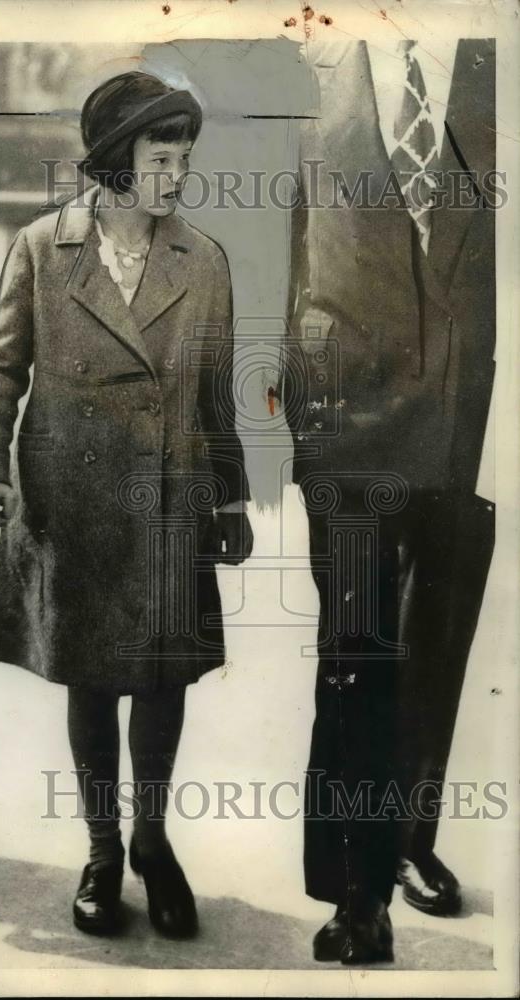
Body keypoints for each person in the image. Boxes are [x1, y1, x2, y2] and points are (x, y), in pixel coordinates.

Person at [0, 71, 253, 937]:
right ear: (118, 161)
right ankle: (101, 852)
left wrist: (229, 503)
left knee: (162, 685)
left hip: (168, 505)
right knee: (88, 682)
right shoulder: (42, 248)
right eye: (163, 158)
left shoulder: (203, 259)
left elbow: (214, 394)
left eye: (186, 158)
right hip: (73, 506)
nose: (178, 175)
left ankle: (154, 845)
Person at [283, 37, 496, 962]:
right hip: (348, 418)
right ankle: (356, 891)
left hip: (466, 406)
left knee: (438, 640)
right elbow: (279, 250)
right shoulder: (311, 59)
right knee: (357, 652)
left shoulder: (495, 64)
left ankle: (410, 832)